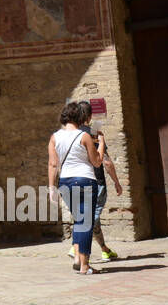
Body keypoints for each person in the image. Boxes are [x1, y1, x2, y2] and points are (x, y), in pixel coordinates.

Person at [47, 101, 103, 275]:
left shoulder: (54, 137)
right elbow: (97, 161)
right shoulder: (84, 136)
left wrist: (51, 187)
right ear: (80, 117)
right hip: (85, 180)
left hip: (65, 182)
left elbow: (52, 164)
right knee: (85, 223)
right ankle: (85, 266)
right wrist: (101, 142)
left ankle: (78, 258)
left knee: (78, 221)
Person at [76, 100, 123, 261]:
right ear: (90, 116)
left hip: (76, 182)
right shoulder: (94, 134)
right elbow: (107, 162)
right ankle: (77, 246)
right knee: (91, 217)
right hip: (96, 182)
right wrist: (117, 182)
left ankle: (104, 249)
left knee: (89, 216)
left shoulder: (71, 135)